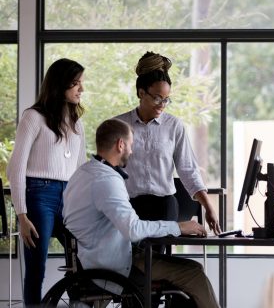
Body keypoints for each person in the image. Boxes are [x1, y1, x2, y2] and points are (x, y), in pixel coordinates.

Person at [62, 118, 220, 308]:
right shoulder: (107, 181)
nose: (131, 150)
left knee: (188, 268)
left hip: (94, 257)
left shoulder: (82, 174)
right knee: (194, 272)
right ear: (120, 144)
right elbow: (133, 229)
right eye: (131, 144)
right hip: (113, 265)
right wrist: (179, 227)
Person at [114, 51, 221, 238]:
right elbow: (108, 170)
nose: (162, 104)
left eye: (166, 99)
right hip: (127, 205)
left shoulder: (174, 126)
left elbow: (188, 170)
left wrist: (208, 207)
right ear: (141, 93)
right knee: (131, 261)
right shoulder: (119, 125)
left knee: (159, 262)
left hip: (164, 205)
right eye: (156, 98)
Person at [6, 58, 87, 306]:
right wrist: (22, 214)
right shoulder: (33, 117)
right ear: (59, 85)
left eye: (81, 83)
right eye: (75, 83)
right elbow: (16, 167)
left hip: (70, 196)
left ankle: (80, 302)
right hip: (40, 194)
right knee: (37, 265)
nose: (81, 89)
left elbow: (81, 168)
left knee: (83, 257)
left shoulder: (77, 123)